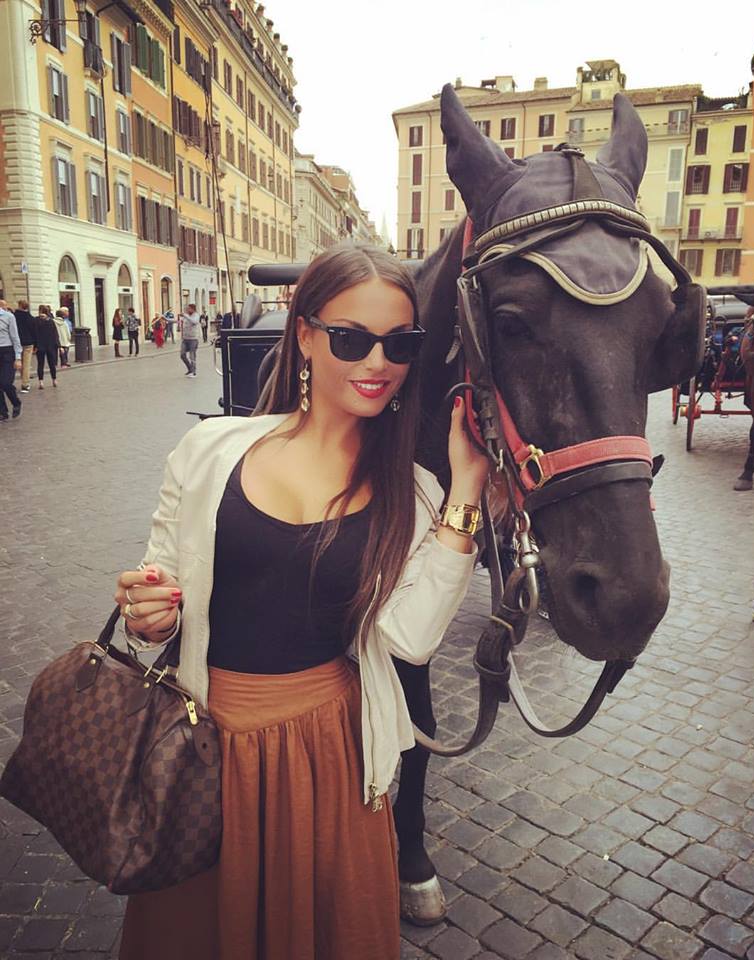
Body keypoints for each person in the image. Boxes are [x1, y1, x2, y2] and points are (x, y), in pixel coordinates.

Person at [113, 244, 487, 960]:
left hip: (330, 750)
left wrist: (465, 491)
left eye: (399, 344)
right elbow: (158, 595)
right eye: (352, 339)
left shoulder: (415, 494)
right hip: (205, 741)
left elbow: (410, 639)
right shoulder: (210, 450)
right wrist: (148, 615)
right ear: (307, 336)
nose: (377, 362)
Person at [0, 299, 22, 421]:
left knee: (6, 383)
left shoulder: (8, 317)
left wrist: (18, 357)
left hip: (7, 352)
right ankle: (3, 412)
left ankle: (16, 402)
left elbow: (15, 337)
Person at [14, 300, 36, 393]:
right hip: (28, 343)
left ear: (19, 306)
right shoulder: (30, 318)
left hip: (16, 343)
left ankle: (17, 381)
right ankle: (25, 384)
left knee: (18, 363)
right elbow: (34, 332)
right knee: (26, 364)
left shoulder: (14, 316)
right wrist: (36, 344)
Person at [34, 304, 59, 388]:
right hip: (50, 345)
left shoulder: (36, 320)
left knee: (40, 364)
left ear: (40, 311)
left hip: (40, 345)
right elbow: (55, 334)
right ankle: (54, 380)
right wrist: (58, 345)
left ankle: (41, 382)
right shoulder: (51, 321)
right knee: (52, 364)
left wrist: (35, 345)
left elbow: (34, 333)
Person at [180, 303, 201, 378]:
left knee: (192, 356)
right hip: (185, 339)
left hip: (193, 339)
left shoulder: (196, 315)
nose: (187, 309)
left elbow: (194, 321)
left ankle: (193, 372)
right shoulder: (186, 316)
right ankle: (190, 369)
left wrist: (185, 316)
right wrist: (166, 319)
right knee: (182, 355)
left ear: (193, 309)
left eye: (189, 308)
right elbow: (177, 321)